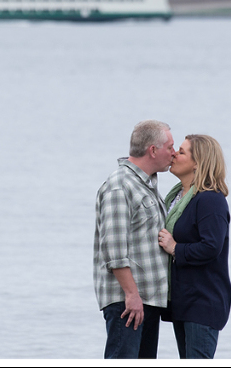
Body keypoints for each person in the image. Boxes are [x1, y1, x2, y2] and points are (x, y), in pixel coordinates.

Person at [93, 120, 176, 359]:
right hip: (128, 303)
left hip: (146, 300)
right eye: (169, 147)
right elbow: (114, 249)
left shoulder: (145, 184)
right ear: (153, 150)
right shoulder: (120, 186)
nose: (174, 152)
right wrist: (131, 295)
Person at [157, 134, 231, 359]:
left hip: (203, 301)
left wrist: (175, 248)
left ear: (198, 162)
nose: (174, 155)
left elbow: (211, 247)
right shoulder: (177, 197)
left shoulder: (210, 200)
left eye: (181, 152)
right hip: (183, 300)